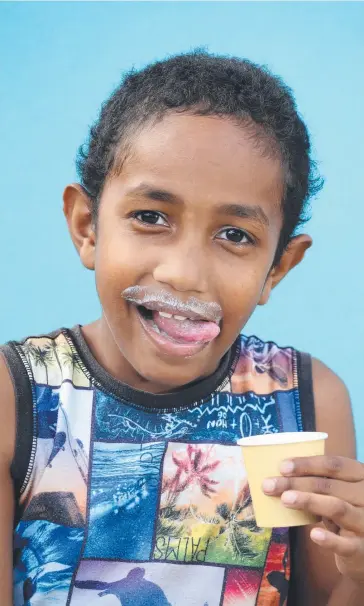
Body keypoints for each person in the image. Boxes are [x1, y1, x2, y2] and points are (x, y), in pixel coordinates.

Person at [1, 51, 363, 606]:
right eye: (151, 217)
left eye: (235, 235)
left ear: (278, 268)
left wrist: (359, 572)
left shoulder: (307, 402)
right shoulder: (15, 396)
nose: (185, 273)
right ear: (86, 227)